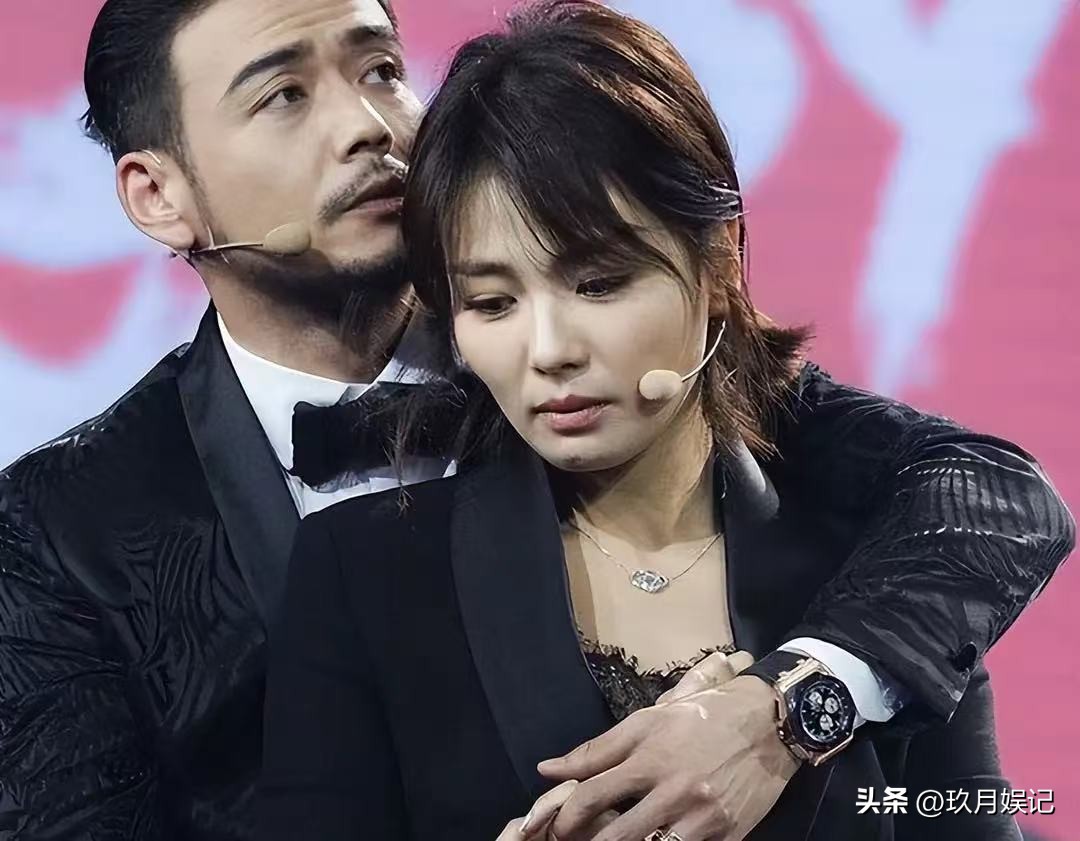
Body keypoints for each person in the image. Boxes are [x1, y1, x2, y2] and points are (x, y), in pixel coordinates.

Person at [0, 0, 1070, 838]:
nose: (371, 126)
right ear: (157, 194)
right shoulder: (57, 526)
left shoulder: (690, 409)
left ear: (712, 270)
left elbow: (997, 498)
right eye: (284, 95)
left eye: (381, 69)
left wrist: (791, 707)